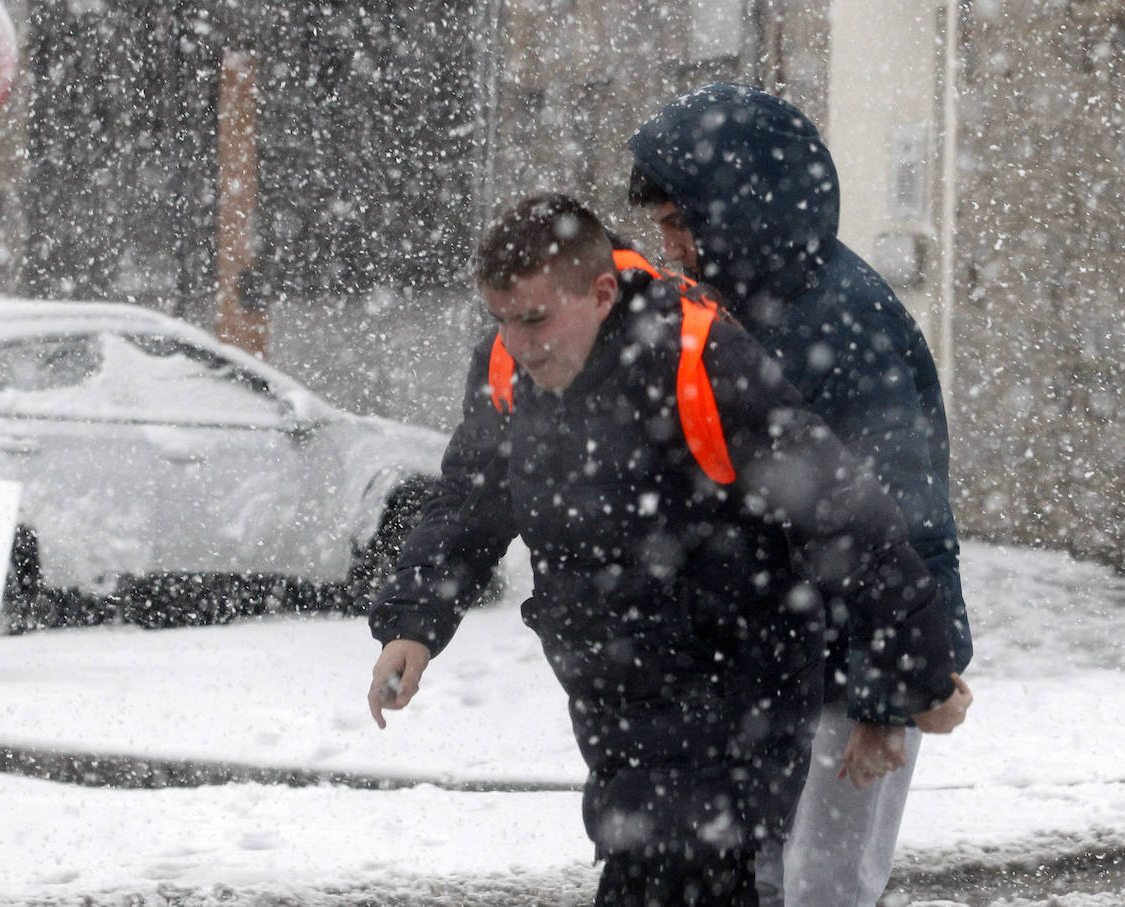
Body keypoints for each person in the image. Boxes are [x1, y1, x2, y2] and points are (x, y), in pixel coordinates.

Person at [367, 193, 967, 906]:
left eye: (534, 318)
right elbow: (470, 498)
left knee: (672, 873)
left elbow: (845, 513)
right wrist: (414, 622)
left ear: (599, 292)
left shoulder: (698, 357)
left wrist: (918, 669)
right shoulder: (507, 368)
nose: (519, 342)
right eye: (501, 318)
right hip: (616, 694)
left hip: (735, 689)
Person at [627, 82, 975, 905]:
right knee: (767, 880)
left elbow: (904, 519)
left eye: (681, 222)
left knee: (825, 887)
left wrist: (886, 695)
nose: (671, 246)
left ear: (735, 210)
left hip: (848, 670)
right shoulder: (732, 311)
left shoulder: (842, 322)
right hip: (773, 667)